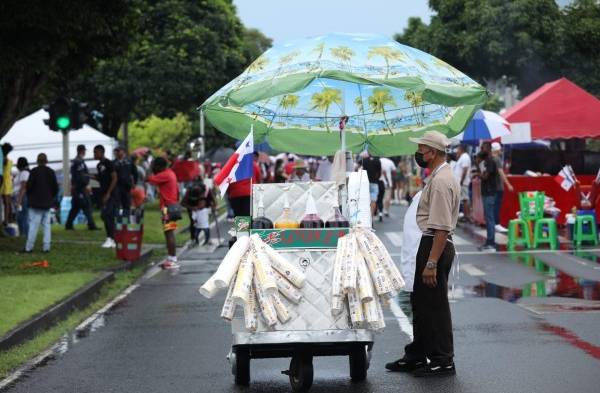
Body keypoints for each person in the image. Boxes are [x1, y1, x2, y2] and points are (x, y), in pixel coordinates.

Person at [386, 131, 459, 377]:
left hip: (434, 245)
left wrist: (431, 262)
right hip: (429, 244)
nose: (418, 154)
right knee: (422, 303)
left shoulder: (440, 181)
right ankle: (418, 353)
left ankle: (442, 359)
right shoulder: (439, 176)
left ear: (434, 152)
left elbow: (441, 227)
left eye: (422, 149)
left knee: (435, 306)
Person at [147, 157, 180, 269]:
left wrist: (150, 167)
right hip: (172, 206)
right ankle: (171, 258)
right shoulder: (171, 173)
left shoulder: (165, 174)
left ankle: (173, 259)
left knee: (169, 233)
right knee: (169, 232)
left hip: (168, 208)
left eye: (154, 166)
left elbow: (149, 179)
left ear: (159, 167)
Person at [23, 153, 58, 253]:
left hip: (34, 204)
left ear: (37, 161)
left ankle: (29, 247)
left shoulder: (33, 171)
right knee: (46, 225)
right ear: (46, 161)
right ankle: (46, 247)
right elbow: (55, 188)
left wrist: (30, 196)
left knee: (33, 225)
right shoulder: (51, 172)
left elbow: (28, 187)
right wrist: (50, 198)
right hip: (47, 203)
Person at [65, 145, 98, 230]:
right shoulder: (79, 161)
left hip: (77, 188)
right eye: (84, 151)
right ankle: (91, 225)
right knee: (86, 205)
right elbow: (81, 175)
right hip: (80, 188)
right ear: (82, 151)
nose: (85, 152)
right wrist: (86, 184)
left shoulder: (77, 161)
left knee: (75, 207)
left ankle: (68, 224)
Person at [93, 145, 118, 248]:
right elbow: (101, 178)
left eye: (96, 152)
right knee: (106, 215)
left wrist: (108, 193)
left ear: (102, 152)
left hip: (110, 194)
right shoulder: (99, 165)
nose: (94, 154)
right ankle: (112, 238)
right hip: (103, 193)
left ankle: (110, 238)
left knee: (107, 214)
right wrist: (89, 176)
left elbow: (114, 178)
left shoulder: (109, 163)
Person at [182, 179, 215, 245]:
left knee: (206, 223)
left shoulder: (208, 190)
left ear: (203, 193)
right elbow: (183, 203)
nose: (198, 199)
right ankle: (193, 239)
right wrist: (192, 208)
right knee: (193, 222)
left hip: (204, 207)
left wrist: (213, 207)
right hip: (192, 207)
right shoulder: (189, 191)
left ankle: (208, 239)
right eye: (196, 197)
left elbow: (214, 202)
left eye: (199, 196)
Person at [476, 150, 498, 251]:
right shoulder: (485, 163)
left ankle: (491, 242)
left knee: (490, 218)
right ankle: (489, 241)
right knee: (488, 217)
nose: (476, 160)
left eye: (477, 158)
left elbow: (485, 176)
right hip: (487, 192)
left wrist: (478, 174)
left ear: (481, 158)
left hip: (489, 193)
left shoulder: (489, 163)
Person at [490, 142, 513, 233]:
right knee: (497, 205)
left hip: (492, 187)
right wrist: (508, 184)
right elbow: (501, 173)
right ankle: (497, 224)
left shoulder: (490, 159)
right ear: (497, 150)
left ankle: (494, 224)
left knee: (493, 206)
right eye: (500, 149)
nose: (501, 151)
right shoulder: (497, 159)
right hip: (498, 186)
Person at [113, 146, 136, 214]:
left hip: (126, 185)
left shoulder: (129, 161)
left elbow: (134, 172)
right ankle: (119, 217)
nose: (117, 153)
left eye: (118, 151)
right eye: (116, 151)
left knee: (126, 202)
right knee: (117, 203)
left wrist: (134, 182)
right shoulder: (113, 163)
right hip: (117, 185)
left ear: (123, 152)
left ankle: (127, 217)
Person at [452, 144, 472, 223]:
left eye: (458, 149)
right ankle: (465, 215)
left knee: (465, 199)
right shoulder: (462, 157)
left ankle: (467, 216)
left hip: (463, 182)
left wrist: (461, 181)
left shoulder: (465, 157)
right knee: (463, 199)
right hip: (460, 182)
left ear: (461, 149)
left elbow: (465, 169)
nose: (457, 150)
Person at [358, 151, 381, 218]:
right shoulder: (377, 161)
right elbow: (379, 173)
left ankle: (366, 218)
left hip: (365, 183)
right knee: (373, 201)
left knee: (365, 201)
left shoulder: (364, 161)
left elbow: (359, 169)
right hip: (374, 183)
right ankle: (371, 217)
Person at [13, 157, 30, 236]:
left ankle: (25, 234)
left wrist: (19, 201)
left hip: (22, 197)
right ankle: (22, 233)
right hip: (19, 197)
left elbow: (23, 187)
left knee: (23, 216)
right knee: (19, 217)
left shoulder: (24, 173)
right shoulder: (20, 173)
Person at [1, 143, 14, 225]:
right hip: (7, 182)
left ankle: (6, 220)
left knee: (5, 203)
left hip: (4, 180)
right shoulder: (9, 161)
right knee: (7, 203)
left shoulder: (3, 160)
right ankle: (6, 220)